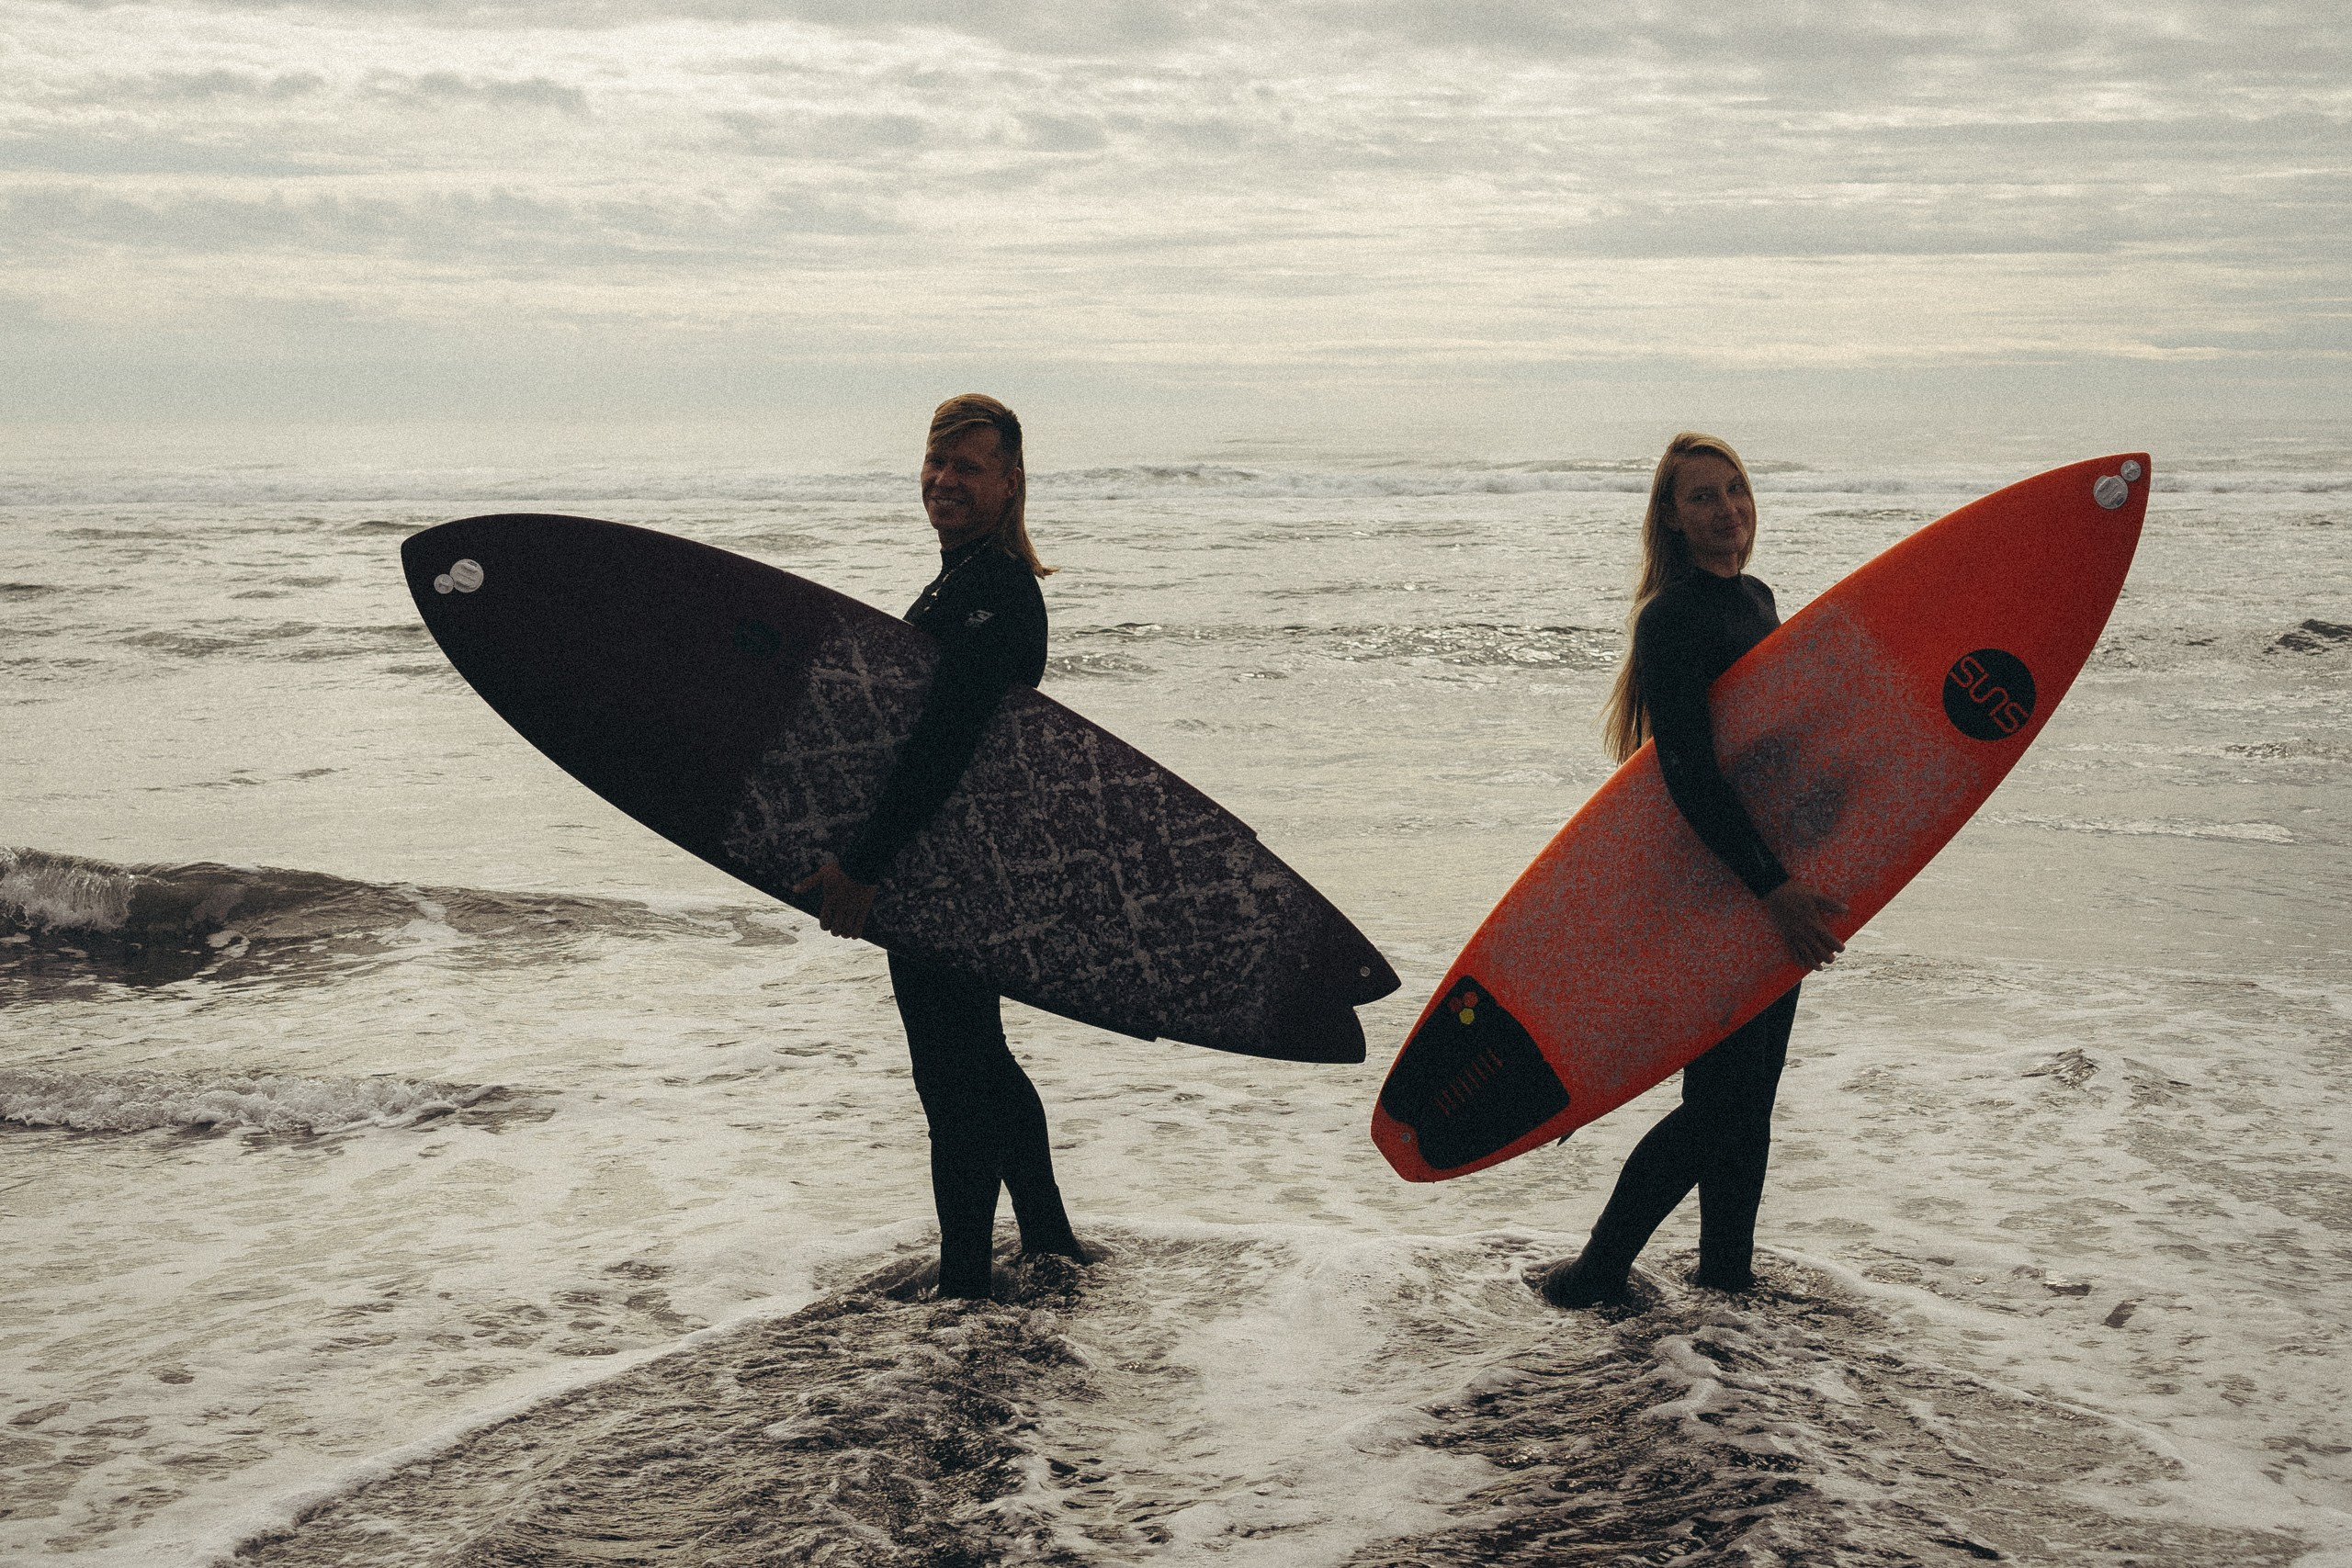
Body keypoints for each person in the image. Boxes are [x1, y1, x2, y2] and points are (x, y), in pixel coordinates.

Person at [1538, 431, 1847, 1308]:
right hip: (1722, 888)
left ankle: (1727, 1278)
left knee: (1748, 1103)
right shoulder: (1671, 618)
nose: (1726, 511)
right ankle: (1598, 1269)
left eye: (1735, 490)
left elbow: (1773, 748)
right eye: (1702, 498)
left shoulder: (1756, 599)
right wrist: (1773, 888)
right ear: (1671, 520)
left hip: (1767, 880)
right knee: (1719, 1105)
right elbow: (1690, 772)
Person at [794, 393, 1088, 1301]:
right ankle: (1048, 1243)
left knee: (953, 1074)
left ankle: (965, 1283)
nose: (944, 481)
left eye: (968, 466)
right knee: (977, 1060)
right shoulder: (966, 583)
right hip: (956, 864)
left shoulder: (992, 594)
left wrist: (865, 864)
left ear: (1009, 482)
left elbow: (941, 748)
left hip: (945, 869)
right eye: (936, 462)